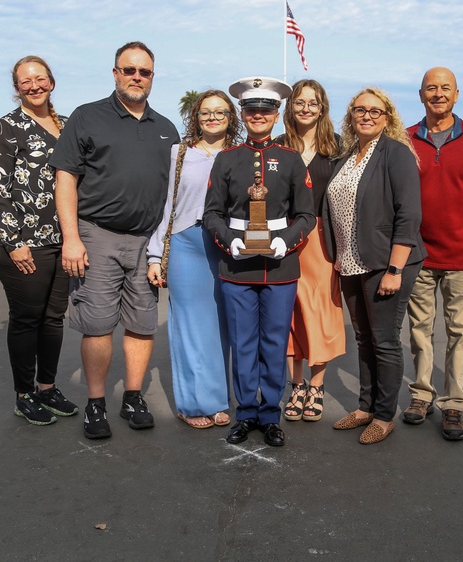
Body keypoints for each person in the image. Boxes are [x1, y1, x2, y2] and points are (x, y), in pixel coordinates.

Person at [50, 41, 179, 440]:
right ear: (115, 73)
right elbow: (65, 178)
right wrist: (71, 238)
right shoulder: (87, 118)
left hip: (146, 241)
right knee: (99, 324)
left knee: (142, 322)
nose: (136, 77)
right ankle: (95, 403)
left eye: (144, 72)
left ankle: (134, 397)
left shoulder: (166, 128)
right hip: (97, 234)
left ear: (152, 77)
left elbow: (175, 192)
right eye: (129, 70)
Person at [202, 76, 315, 447]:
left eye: (265, 110)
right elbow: (213, 213)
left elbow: (306, 215)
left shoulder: (292, 160)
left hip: (280, 268)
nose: (258, 115)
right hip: (236, 267)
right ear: (243, 113)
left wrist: (285, 242)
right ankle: (246, 412)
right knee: (243, 343)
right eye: (251, 110)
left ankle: (270, 416)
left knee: (273, 343)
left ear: (277, 113)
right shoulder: (226, 159)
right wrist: (230, 242)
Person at [402, 68, 463, 441]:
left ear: (456, 94)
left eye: (445, 88)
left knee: (461, 332)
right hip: (419, 255)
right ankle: (421, 394)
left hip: (462, 255)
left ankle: (454, 402)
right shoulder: (406, 139)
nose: (438, 94)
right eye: (431, 88)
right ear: (421, 94)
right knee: (420, 331)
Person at [325, 88, 425, 445]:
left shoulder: (395, 154)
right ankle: (365, 406)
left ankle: (384, 415)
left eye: (375, 111)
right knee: (364, 339)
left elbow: (409, 213)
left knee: (384, 341)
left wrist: (395, 270)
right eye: (359, 110)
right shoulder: (348, 155)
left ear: (387, 118)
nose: (366, 116)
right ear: (351, 115)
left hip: (386, 263)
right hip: (350, 262)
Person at [0, 55, 79, 426]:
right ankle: (24, 394)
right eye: (26, 81)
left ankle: (47, 387)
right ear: (17, 88)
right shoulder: (7, 128)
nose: (34, 85)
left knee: (53, 318)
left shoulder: (68, 125)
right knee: (26, 318)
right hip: (23, 241)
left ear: (52, 82)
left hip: (62, 239)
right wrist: (14, 241)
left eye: (40, 78)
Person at [146, 90, 243, 429]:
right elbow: (166, 206)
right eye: (206, 112)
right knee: (189, 324)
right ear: (196, 117)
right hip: (186, 242)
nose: (213, 117)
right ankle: (191, 404)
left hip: (227, 245)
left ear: (231, 117)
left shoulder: (241, 155)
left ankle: (217, 400)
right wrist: (156, 254)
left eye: (220, 112)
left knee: (220, 325)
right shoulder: (179, 154)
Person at [275, 79, 345, 423]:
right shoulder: (277, 146)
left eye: (312, 103)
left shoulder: (337, 148)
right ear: (291, 108)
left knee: (320, 312)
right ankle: (297, 385)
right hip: (284, 238)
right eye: (300, 102)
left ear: (322, 108)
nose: (305, 108)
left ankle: (317, 386)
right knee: (289, 312)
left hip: (322, 240)